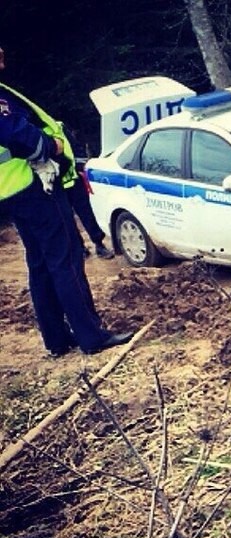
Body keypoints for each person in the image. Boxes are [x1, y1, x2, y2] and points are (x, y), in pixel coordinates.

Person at [0, 45, 133, 356]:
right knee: (66, 258)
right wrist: (52, 146)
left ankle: (57, 340)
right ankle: (91, 336)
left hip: (14, 191)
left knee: (41, 263)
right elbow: (17, 135)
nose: (3, 51)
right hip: (35, 186)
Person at [62, 126, 115, 259]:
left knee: (87, 212)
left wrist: (80, 168)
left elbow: (77, 149)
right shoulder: (32, 131)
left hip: (74, 180)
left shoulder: (59, 126)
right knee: (65, 219)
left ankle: (99, 244)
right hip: (54, 188)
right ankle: (80, 248)